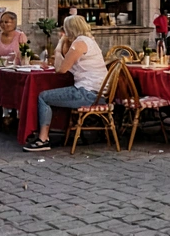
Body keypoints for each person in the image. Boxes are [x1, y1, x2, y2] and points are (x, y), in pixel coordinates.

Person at [20, 14, 108, 152]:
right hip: (97, 92)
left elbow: (60, 69)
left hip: (88, 93)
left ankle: (43, 139)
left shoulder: (79, 43)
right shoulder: (89, 41)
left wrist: (60, 43)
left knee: (43, 97)